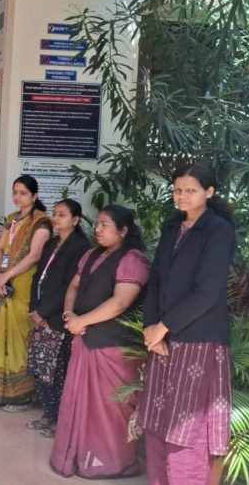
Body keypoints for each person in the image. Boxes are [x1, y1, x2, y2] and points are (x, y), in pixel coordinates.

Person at [138, 164, 235, 484]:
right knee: (157, 420)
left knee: (186, 426)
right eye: (177, 190)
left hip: (198, 339)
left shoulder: (218, 230)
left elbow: (207, 292)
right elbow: (155, 281)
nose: (182, 196)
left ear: (209, 192)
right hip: (162, 340)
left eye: (190, 190)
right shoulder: (172, 227)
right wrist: (151, 330)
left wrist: (163, 327)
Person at [50, 204, 150, 479]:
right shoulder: (91, 254)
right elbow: (73, 286)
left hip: (114, 347)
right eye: (97, 224)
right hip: (85, 339)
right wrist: (70, 315)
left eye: (105, 225)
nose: (98, 229)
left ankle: (113, 463)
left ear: (123, 230)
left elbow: (120, 303)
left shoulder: (133, 260)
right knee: (79, 402)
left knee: (109, 409)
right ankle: (75, 456)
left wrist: (82, 321)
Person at [0, 174, 52, 409]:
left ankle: (22, 394)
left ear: (35, 195)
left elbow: (34, 256)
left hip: (23, 285)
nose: (18, 197)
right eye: (15, 193)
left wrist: (7, 275)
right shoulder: (12, 219)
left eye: (23, 193)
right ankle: (0, 389)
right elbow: (0, 248)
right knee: (2, 333)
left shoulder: (41, 223)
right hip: (4, 283)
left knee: (21, 337)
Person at [25, 199, 91, 438]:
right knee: (41, 368)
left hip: (58, 317)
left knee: (57, 372)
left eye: (62, 215)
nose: (56, 218)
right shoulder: (51, 243)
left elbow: (69, 287)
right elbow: (37, 277)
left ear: (76, 220)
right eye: (55, 213)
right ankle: (48, 413)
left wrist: (44, 312)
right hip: (40, 315)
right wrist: (34, 309)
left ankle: (60, 420)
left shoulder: (81, 247)